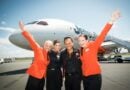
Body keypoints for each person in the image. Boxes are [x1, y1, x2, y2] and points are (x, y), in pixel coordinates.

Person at [78, 10, 120, 90]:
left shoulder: (93, 45)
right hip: (85, 77)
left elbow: (102, 34)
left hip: (94, 77)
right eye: (79, 41)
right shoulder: (81, 49)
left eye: (83, 40)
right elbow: (83, 63)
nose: (81, 42)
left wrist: (111, 20)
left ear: (87, 40)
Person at [19, 21, 53, 90]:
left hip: (42, 78)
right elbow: (31, 40)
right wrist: (23, 30)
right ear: (44, 44)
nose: (47, 47)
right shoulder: (38, 49)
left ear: (50, 48)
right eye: (46, 45)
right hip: (34, 76)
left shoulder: (49, 56)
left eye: (49, 46)